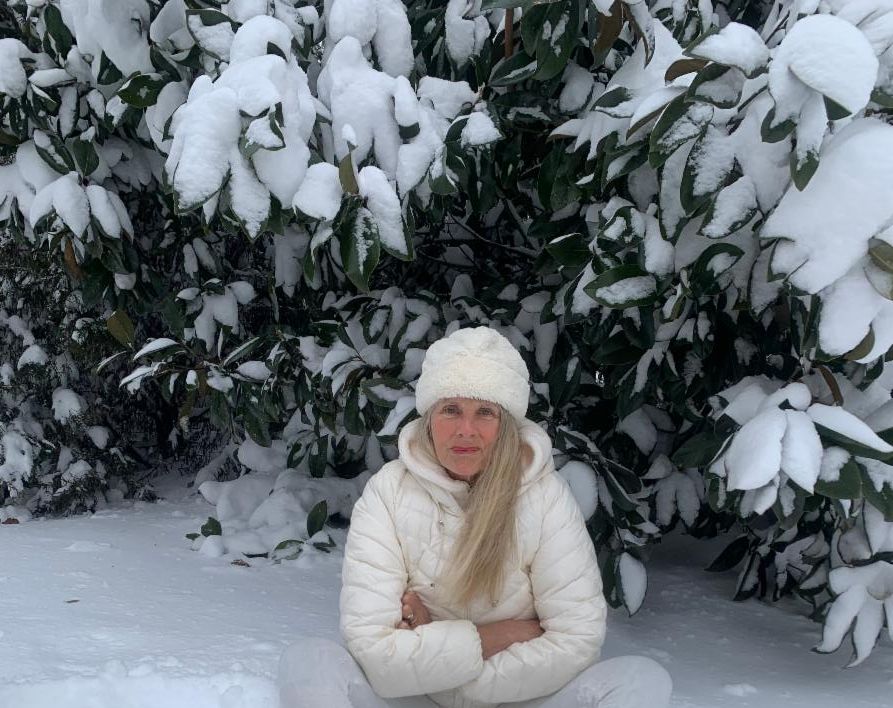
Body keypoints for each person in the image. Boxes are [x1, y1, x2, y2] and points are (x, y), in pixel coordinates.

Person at [279, 327, 672, 708]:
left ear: (506, 425)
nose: (466, 430)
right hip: (413, 700)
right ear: (429, 418)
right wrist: (498, 636)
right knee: (309, 662)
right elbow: (373, 649)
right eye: (451, 410)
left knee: (640, 679)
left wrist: (443, 654)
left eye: (485, 412)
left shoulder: (546, 497)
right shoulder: (389, 492)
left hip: (516, 697)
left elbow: (577, 640)